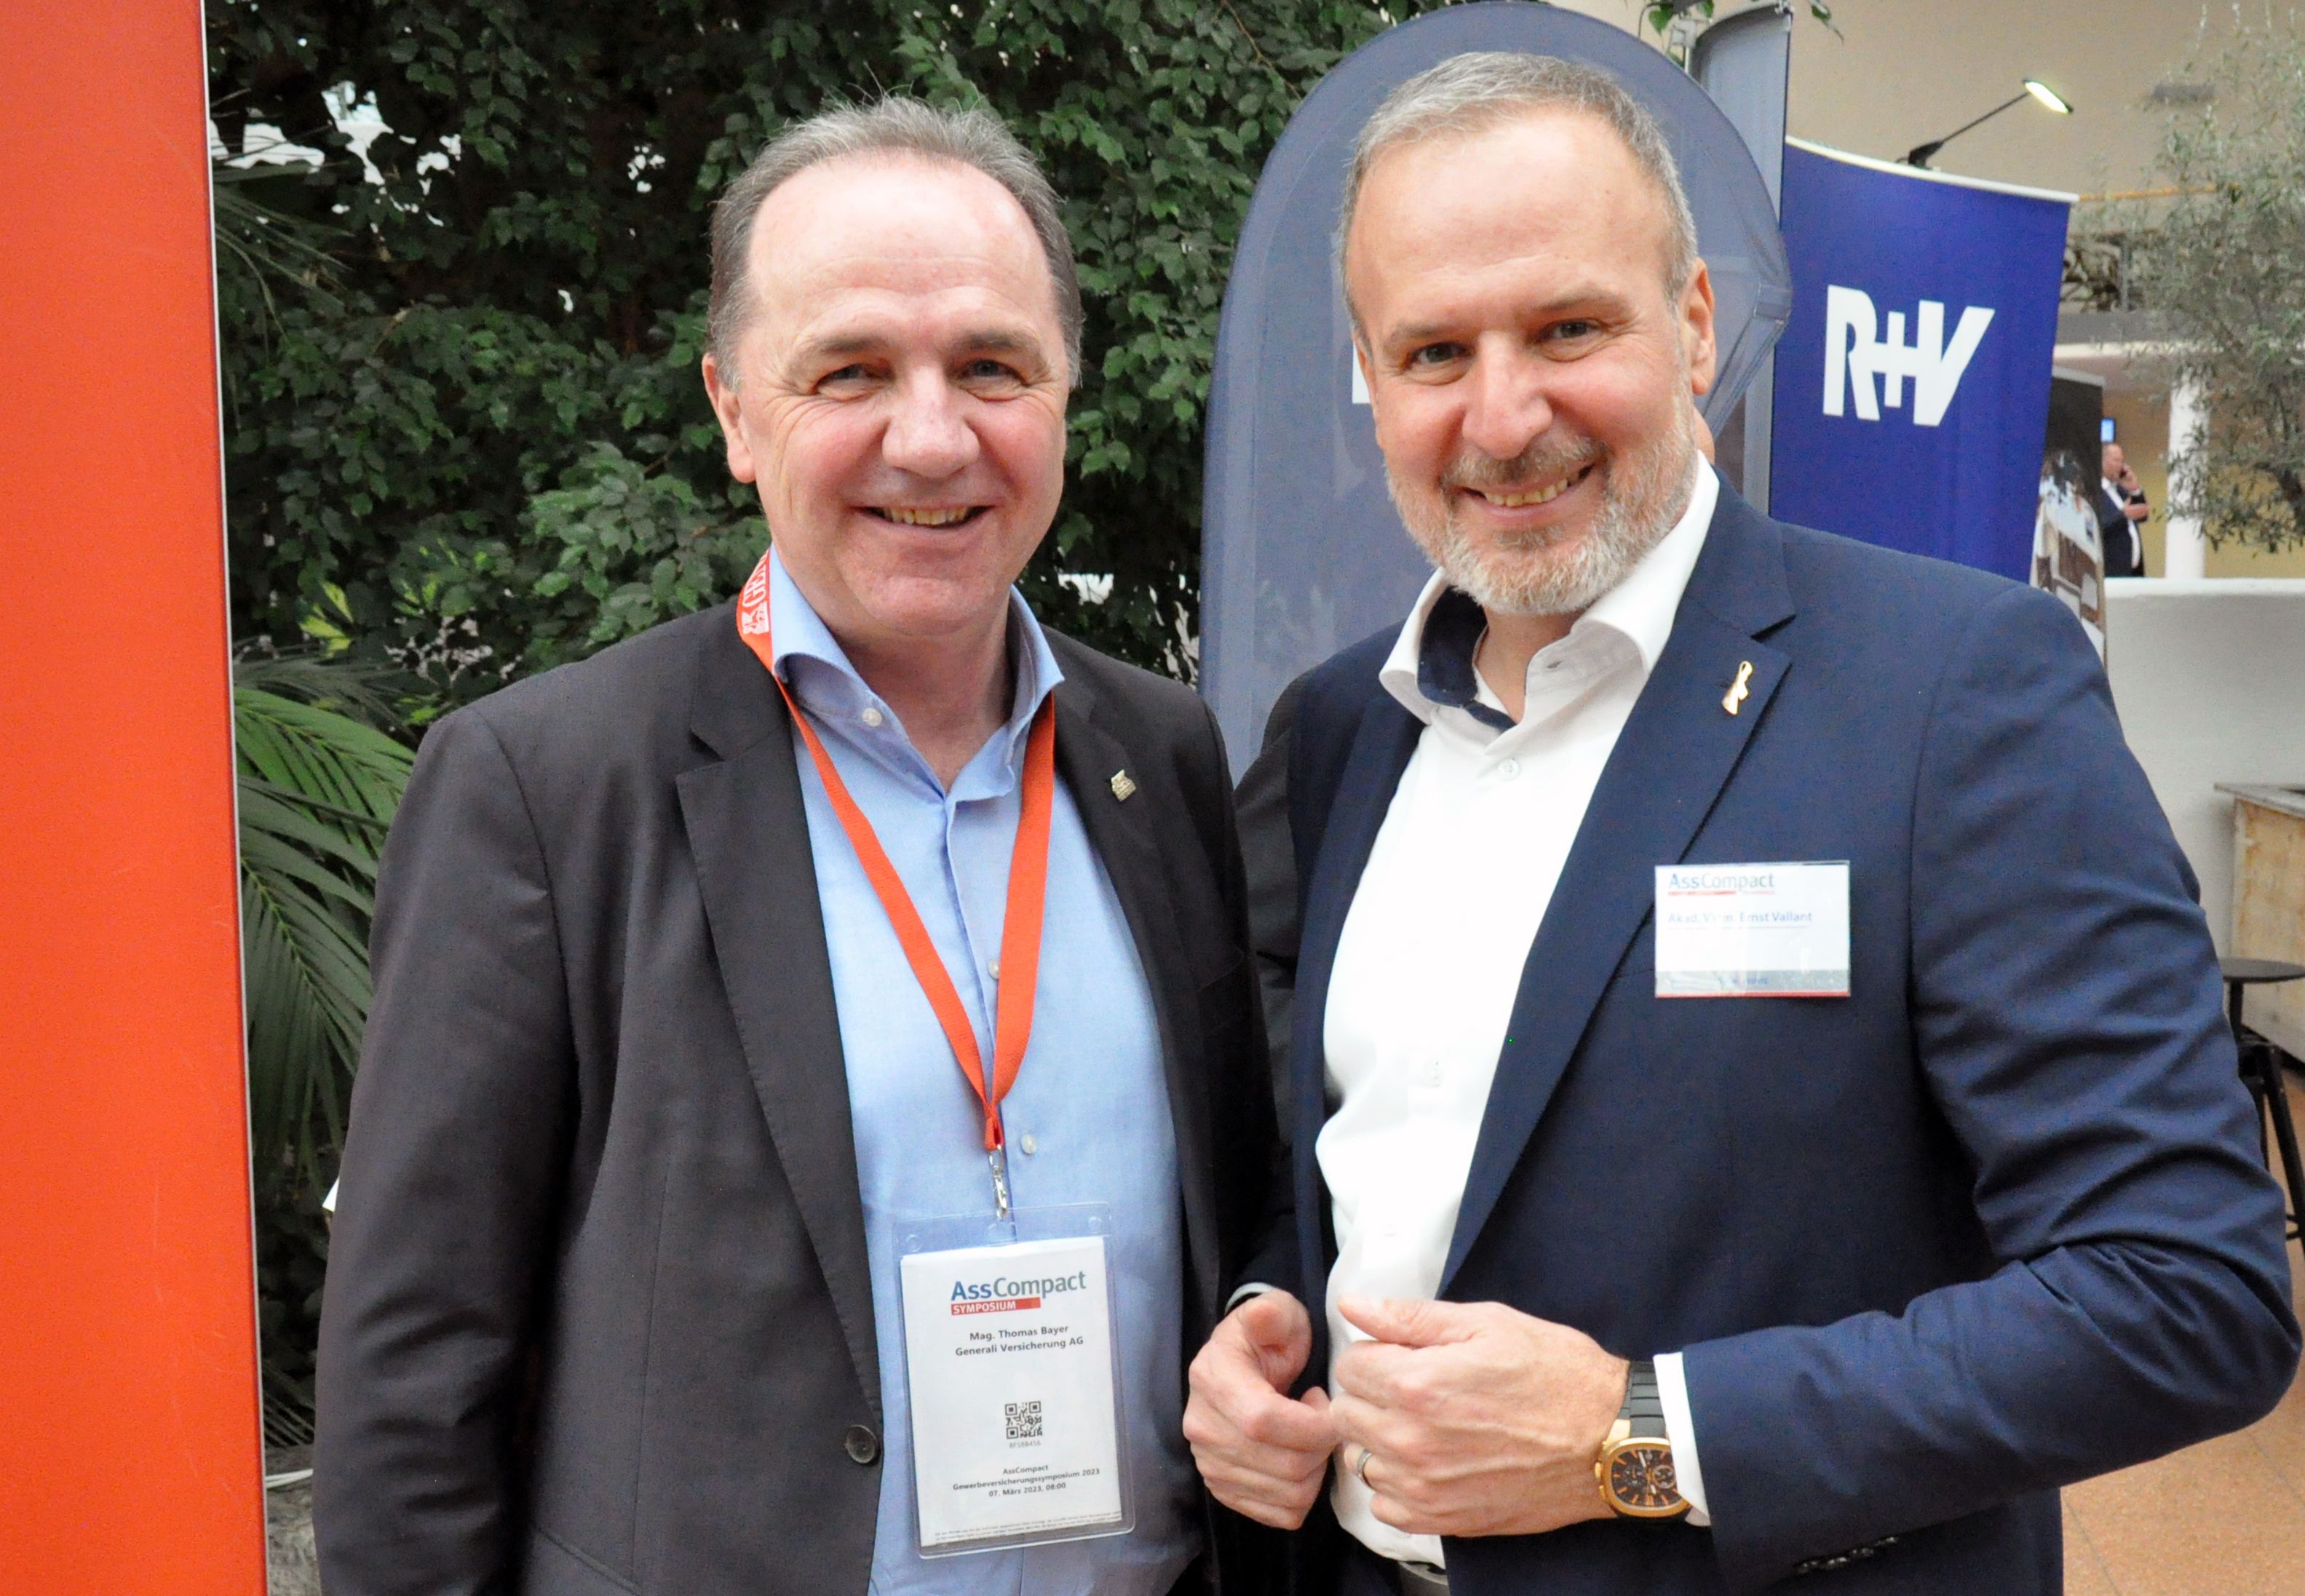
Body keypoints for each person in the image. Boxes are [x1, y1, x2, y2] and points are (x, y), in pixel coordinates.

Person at [1183, 52, 2298, 1596]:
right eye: (1432, 350)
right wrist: (1265, 1313)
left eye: (1566, 329)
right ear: (1371, 379)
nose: (1501, 417)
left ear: (1694, 324)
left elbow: (2183, 1292)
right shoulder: (1340, 729)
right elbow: (1362, 1158)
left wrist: (1634, 1432)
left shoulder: (1954, 689)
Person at [315, 98, 1277, 1596]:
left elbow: (1244, 1202)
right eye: (849, 371)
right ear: (733, 411)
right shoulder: (549, 787)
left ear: (1063, 396)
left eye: (991, 367)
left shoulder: (1162, 755)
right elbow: (412, 1366)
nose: (931, 437)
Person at [2098, 440, 2149, 577]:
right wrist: (2123, 515)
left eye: (2122, 461)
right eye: (2116, 460)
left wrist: (2134, 489)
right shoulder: (2096, 492)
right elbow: (2100, 526)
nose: (2121, 465)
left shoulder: (2120, 490)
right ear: (2102, 461)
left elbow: (2143, 515)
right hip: (2111, 570)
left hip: (2133, 570)